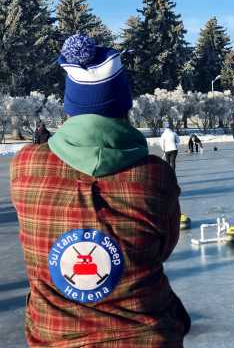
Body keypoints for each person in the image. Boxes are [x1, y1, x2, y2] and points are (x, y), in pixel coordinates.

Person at [10, 34, 190, 347]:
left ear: (69, 106)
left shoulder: (25, 166)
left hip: (54, 336)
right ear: (124, 105)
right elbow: (163, 248)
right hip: (145, 337)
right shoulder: (155, 175)